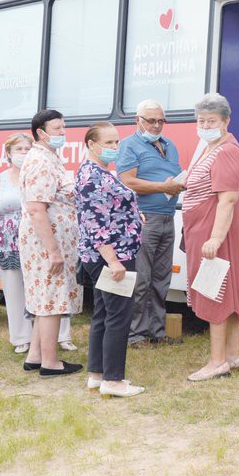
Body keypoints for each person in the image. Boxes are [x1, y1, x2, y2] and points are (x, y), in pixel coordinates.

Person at [0, 133, 74, 354]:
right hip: (8, 243)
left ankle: (62, 336)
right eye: (18, 149)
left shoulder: (40, 172)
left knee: (51, 286)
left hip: (38, 240)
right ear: (8, 154)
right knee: (14, 290)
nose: (23, 153)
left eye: (27, 148)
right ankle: (22, 338)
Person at [182, 93, 239, 381]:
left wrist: (215, 238)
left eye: (211, 121)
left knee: (216, 294)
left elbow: (228, 200)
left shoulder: (226, 152)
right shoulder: (211, 148)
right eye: (201, 120)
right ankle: (232, 355)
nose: (205, 125)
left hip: (216, 234)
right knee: (229, 293)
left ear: (226, 121)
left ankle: (217, 361)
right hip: (205, 231)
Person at [76, 122, 145, 397]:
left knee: (104, 314)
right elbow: (95, 223)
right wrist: (113, 261)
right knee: (118, 316)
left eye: (117, 143)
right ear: (92, 145)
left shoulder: (97, 171)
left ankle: (97, 374)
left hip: (109, 254)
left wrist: (132, 216)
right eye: (109, 143)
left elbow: (110, 209)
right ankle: (113, 380)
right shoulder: (92, 175)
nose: (115, 148)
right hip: (111, 257)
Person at [19, 109, 82, 377]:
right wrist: (53, 251)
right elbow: (36, 209)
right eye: (57, 129)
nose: (62, 133)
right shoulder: (41, 162)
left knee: (45, 297)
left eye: (63, 128)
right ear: (41, 133)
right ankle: (51, 362)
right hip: (45, 243)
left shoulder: (50, 157)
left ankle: (35, 355)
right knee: (50, 301)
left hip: (52, 241)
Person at [116, 100, 184, 347]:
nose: (156, 125)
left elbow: (173, 176)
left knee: (161, 278)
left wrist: (180, 184)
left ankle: (157, 331)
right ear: (138, 120)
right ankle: (135, 334)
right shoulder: (129, 145)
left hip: (168, 217)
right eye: (151, 120)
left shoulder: (170, 145)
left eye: (161, 120)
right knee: (141, 278)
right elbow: (128, 182)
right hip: (143, 217)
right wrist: (163, 187)